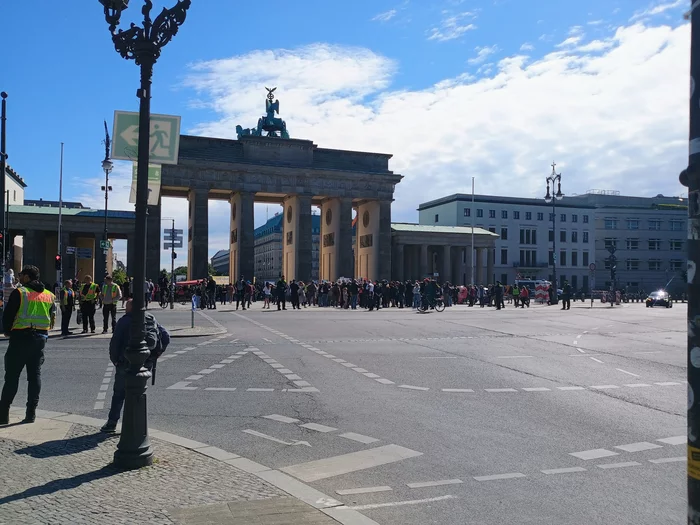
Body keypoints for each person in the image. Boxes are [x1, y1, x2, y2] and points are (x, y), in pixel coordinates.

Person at [100, 299, 170, 433]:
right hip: (146, 362)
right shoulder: (150, 318)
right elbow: (166, 336)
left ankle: (112, 423)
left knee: (119, 393)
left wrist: (115, 360)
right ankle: (136, 425)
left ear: (131, 308)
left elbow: (115, 343)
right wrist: (157, 354)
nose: (125, 310)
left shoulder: (124, 321)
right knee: (138, 392)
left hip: (125, 362)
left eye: (127, 307)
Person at [0, 265, 56, 425]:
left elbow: (8, 315)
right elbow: (52, 318)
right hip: (40, 340)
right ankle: (31, 414)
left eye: (21, 274)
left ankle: (3, 415)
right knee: (34, 376)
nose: (19, 277)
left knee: (12, 377)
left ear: (27, 277)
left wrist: (8, 331)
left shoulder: (20, 292)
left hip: (20, 338)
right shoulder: (49, 295)